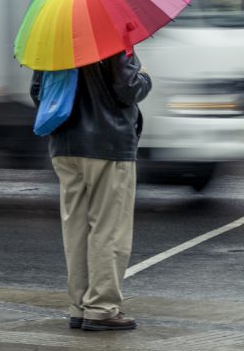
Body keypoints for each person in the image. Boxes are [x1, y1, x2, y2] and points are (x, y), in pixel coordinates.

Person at [30, 50, 152, 331]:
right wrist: (144, 76)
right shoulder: (113, 37)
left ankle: (79, 306)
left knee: (76, 230)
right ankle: (101, 308)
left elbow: (38, 93)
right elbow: (128, 89)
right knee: (109, 228)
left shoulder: (54, 38)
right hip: (107, 146)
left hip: (64, 146)